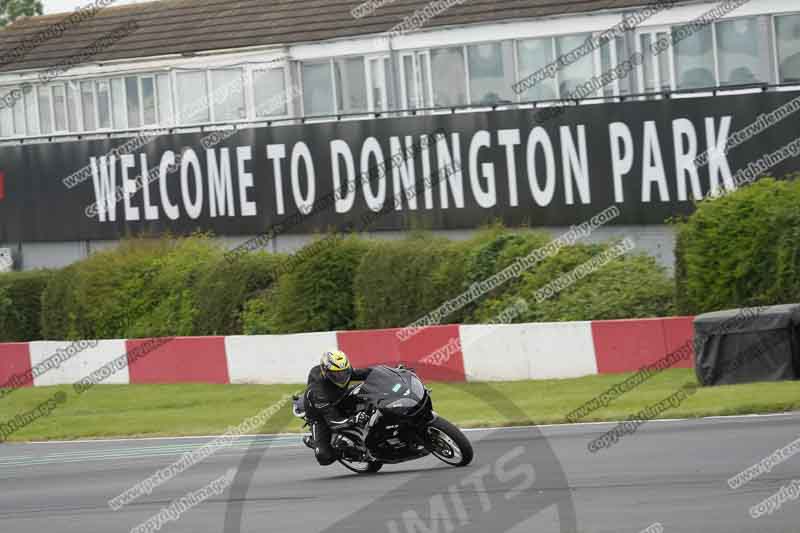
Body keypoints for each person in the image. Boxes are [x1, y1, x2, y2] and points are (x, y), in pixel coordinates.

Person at [303, 350, 372, 465]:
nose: (342, 377)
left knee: (364, 391)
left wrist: (394, 371)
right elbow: (334, 420)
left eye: (344, 372)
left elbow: (367, 372)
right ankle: (319, 443)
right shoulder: (318, 391)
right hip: (320, 415)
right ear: (326, 372)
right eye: (336, 374)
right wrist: (354, 419)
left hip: (339, 399)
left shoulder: (344, 371)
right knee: (324, 457)